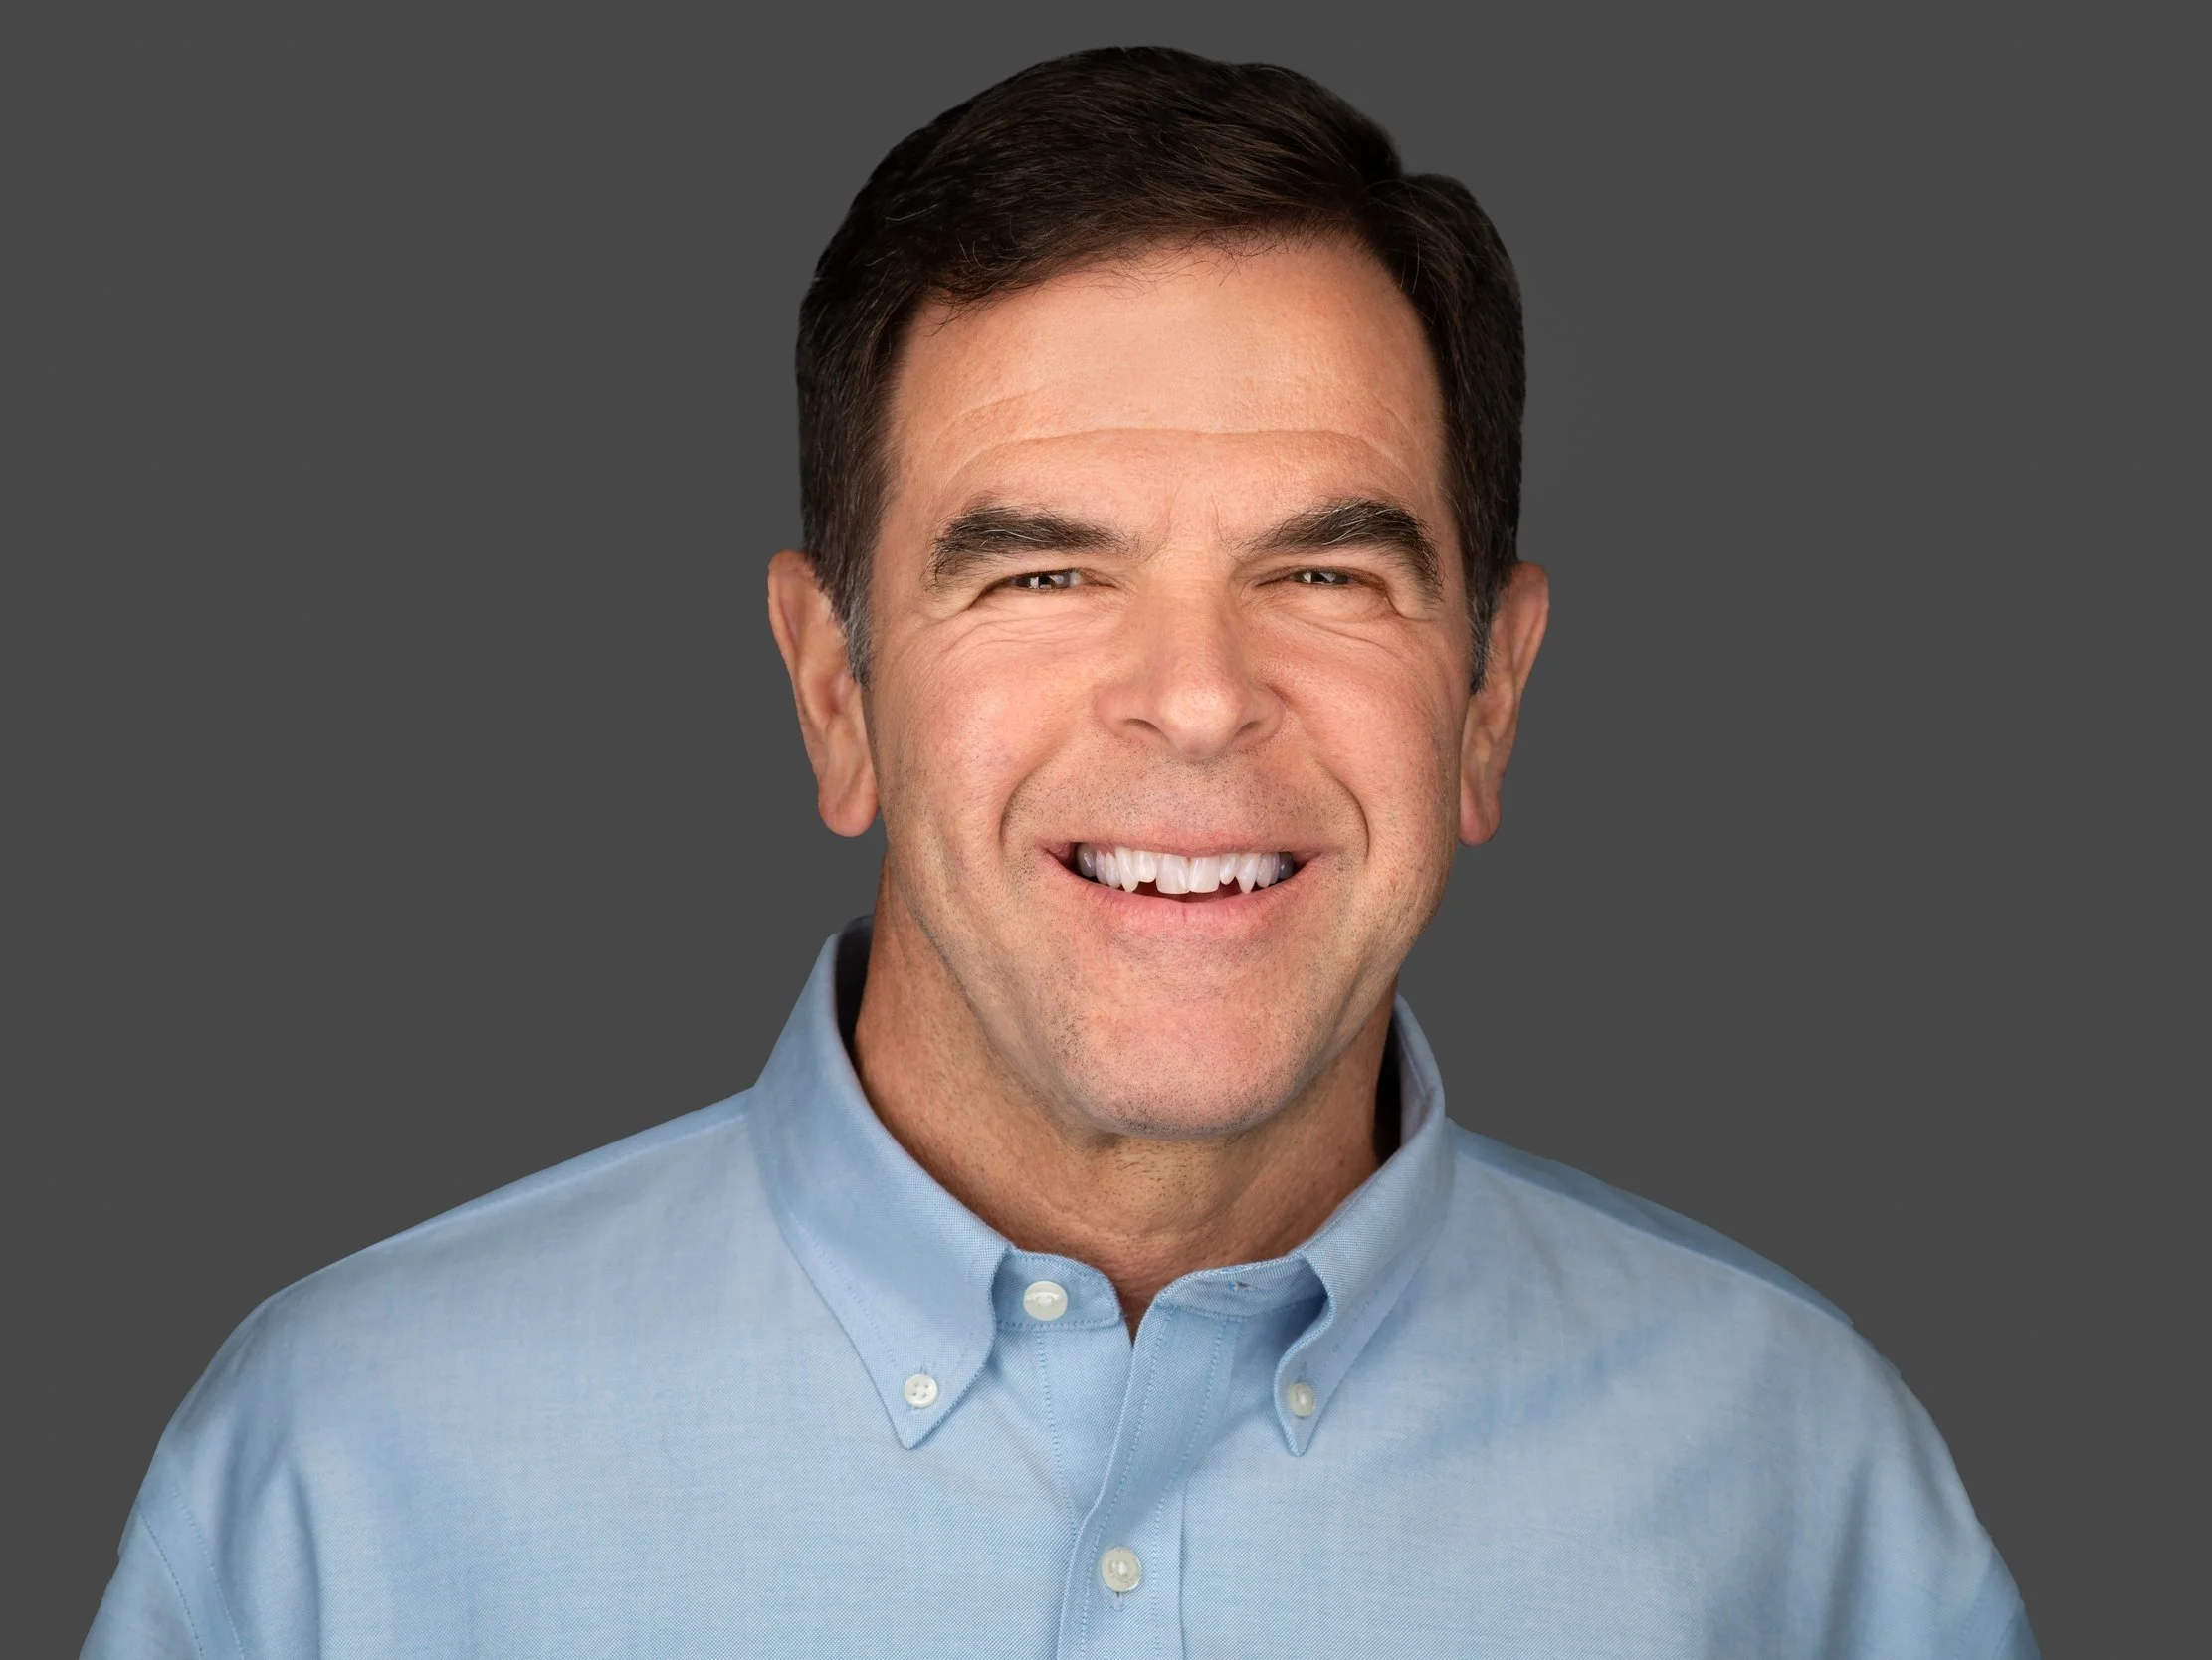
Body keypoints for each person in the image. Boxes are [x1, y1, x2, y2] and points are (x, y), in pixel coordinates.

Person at [86, 45, 2035, 1659]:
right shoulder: (350, 1469)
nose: (1196, 699)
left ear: (1488, 700)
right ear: (835, 692)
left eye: (1326, 574)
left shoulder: (1799, 1488)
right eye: (1039, 574)